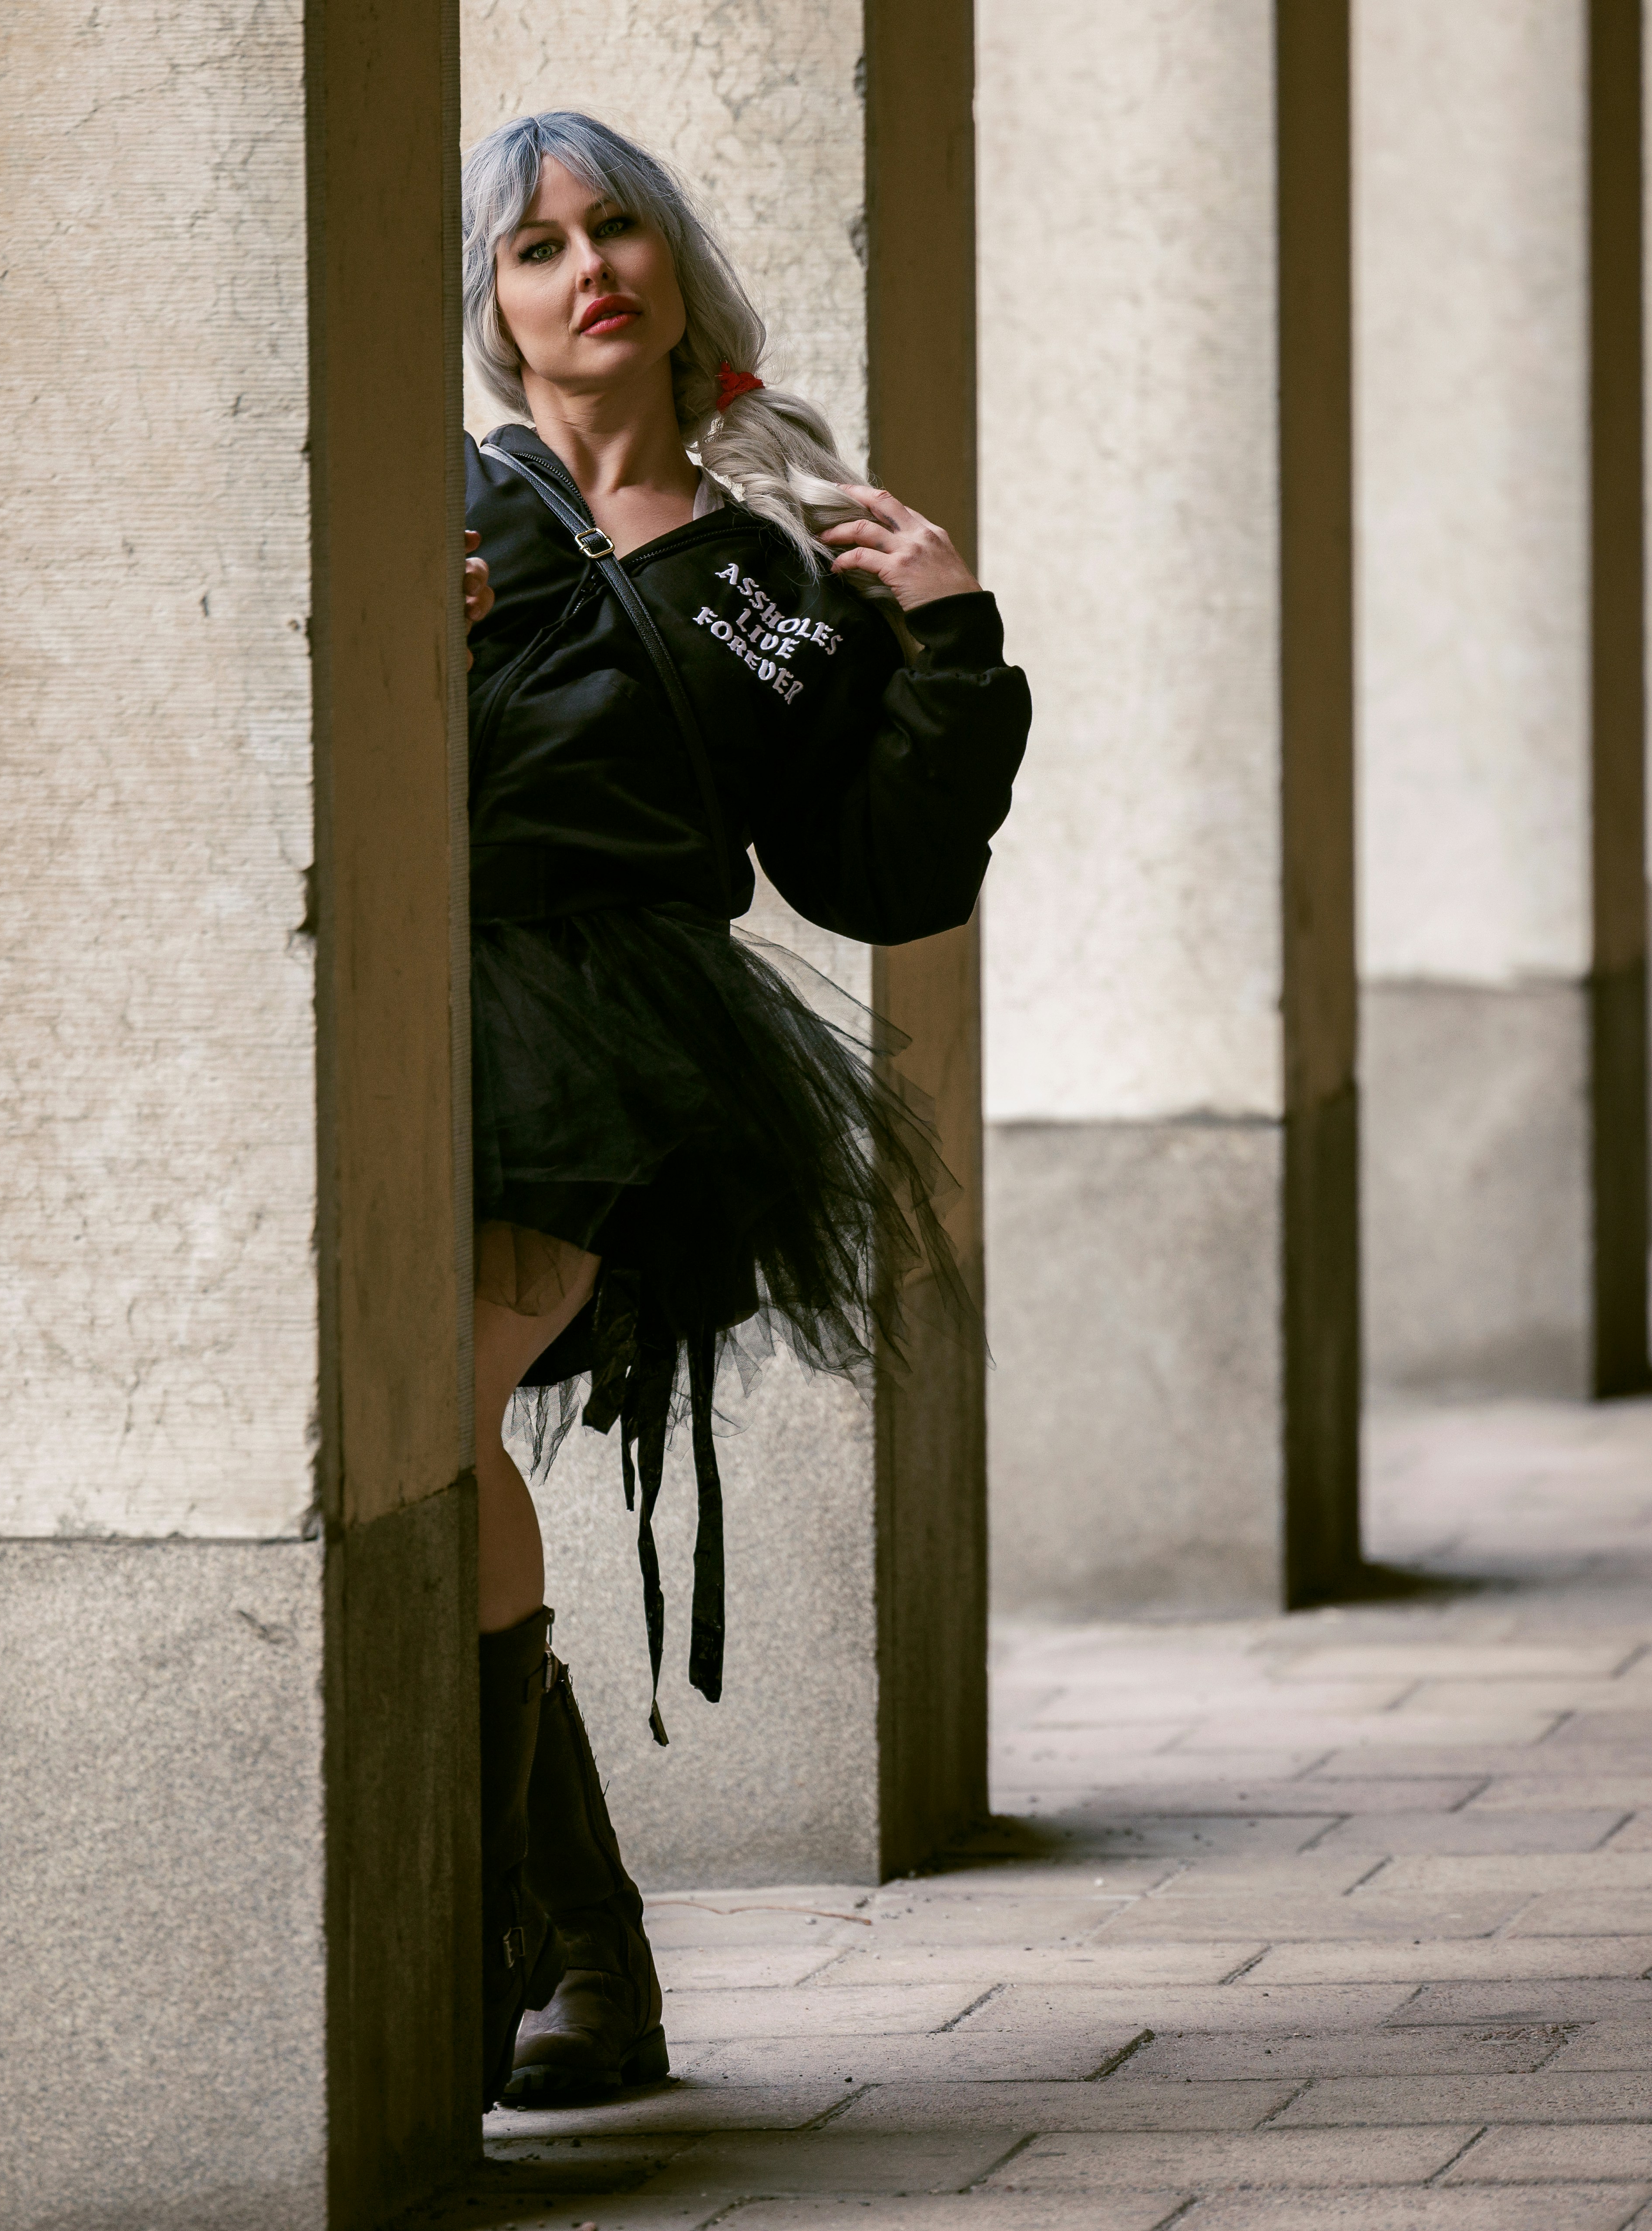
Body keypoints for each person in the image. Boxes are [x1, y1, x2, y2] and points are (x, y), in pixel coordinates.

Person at [456, 110, 1031, 2108]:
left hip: (610, 1051)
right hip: (420, 1026)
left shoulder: (762, 569)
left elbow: (876, 869)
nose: (583, 269)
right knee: (430, 1448)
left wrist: (946, 642)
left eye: (617, 231)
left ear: (678, 272)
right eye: (535, 250)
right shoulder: (443, 511)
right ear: (493, 307)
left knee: (439, 1415)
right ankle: (580, 1960)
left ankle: (537, 1946)